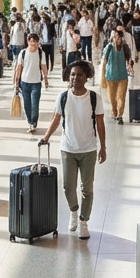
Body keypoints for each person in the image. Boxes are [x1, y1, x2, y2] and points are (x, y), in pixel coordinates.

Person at [38, 59, 106, 240]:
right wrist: (46, 137)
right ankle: (74, 212)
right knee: (68, 187)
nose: (75, 78)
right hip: (67, 148)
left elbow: (100, 123)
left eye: (79, 75)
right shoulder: (63, 97)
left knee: (87, 189)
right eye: (73, 74)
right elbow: (56, 118)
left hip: (88, 149)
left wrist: (103, 147)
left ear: (86, 77)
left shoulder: (94, 97)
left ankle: (84, 222)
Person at [13, 34, 50, 134]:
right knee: (27, 105)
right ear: (28, 41)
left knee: (35, 104)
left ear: (38, 42)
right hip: (24, 82)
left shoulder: (41, 53)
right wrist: (16, 81)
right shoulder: (23, 53)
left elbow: (44, 66)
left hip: (36, 82)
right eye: (31, 41)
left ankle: (33, 123)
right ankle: (30, 121)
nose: (33, 43)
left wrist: (46, 79)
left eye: (35, 41)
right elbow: (19, 67)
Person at [100, 28, 134, 125]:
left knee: (121, 97)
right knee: (112, 98)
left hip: (122, 76)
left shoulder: (125, 47)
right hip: (110, 77)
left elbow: (129, 59)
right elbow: (104, 60)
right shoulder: (109, 47)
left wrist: (131, 66)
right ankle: (114, 111)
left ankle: (120, 115)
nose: (117, 39)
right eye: (115, 37)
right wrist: (103, 74)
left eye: (118, 37)